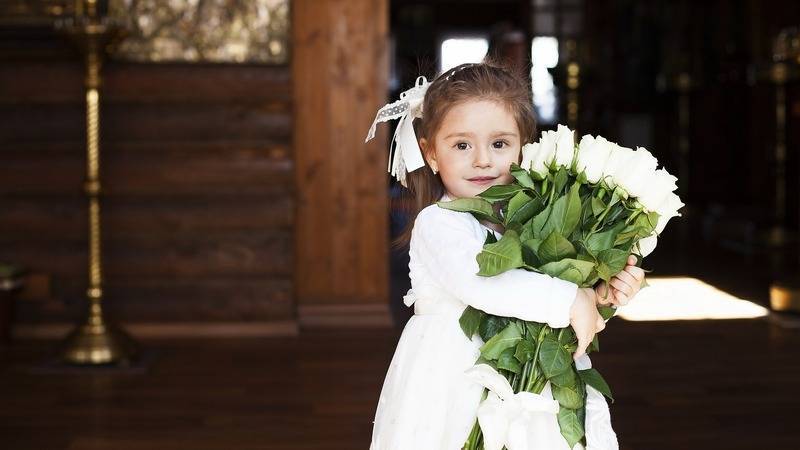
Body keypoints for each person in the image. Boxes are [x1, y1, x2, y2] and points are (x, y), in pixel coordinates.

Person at [365, 61, 645, 450]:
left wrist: (598, 293)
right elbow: (481, 282)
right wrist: (568, 300)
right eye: (462, 145)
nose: (482, 160)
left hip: (531, 387)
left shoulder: (530, 222)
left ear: (523, 147)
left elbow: (546, 297)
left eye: (499, 144)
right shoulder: (439, 223)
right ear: (430, 153)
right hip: (456, 382)